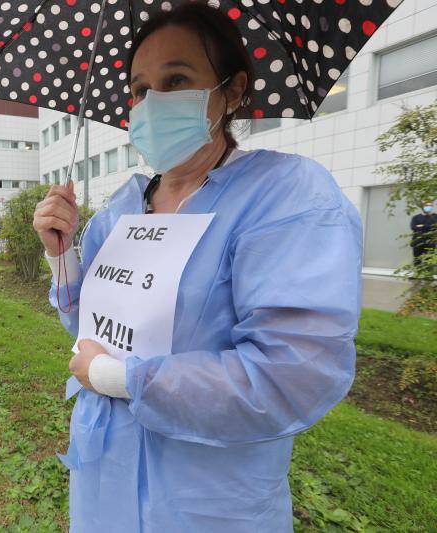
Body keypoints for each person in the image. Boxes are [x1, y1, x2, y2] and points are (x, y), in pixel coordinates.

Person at [33, 5, 362, 531]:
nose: (150, 103)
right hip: (102, 477)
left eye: (176, 80)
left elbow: (292, 372)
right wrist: (61, 253)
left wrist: (118, 377)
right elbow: (87, 326)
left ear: (231, 92)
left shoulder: (285, 197)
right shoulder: (121, 207)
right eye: (140, 89)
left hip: (207, 498)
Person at [410, 201, 436, 269]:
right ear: (423, 207)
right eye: (426, 205)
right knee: (417, 259)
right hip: (418, 241)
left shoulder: (435, 217)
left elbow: (434, 227)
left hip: (430, 241)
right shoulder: (415, 217)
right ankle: (417, 274)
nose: (428, 207)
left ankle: (428, 276)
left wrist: (422, 226)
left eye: (430, 206)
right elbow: (413, 227)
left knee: (429, 259)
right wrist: (428, 227)